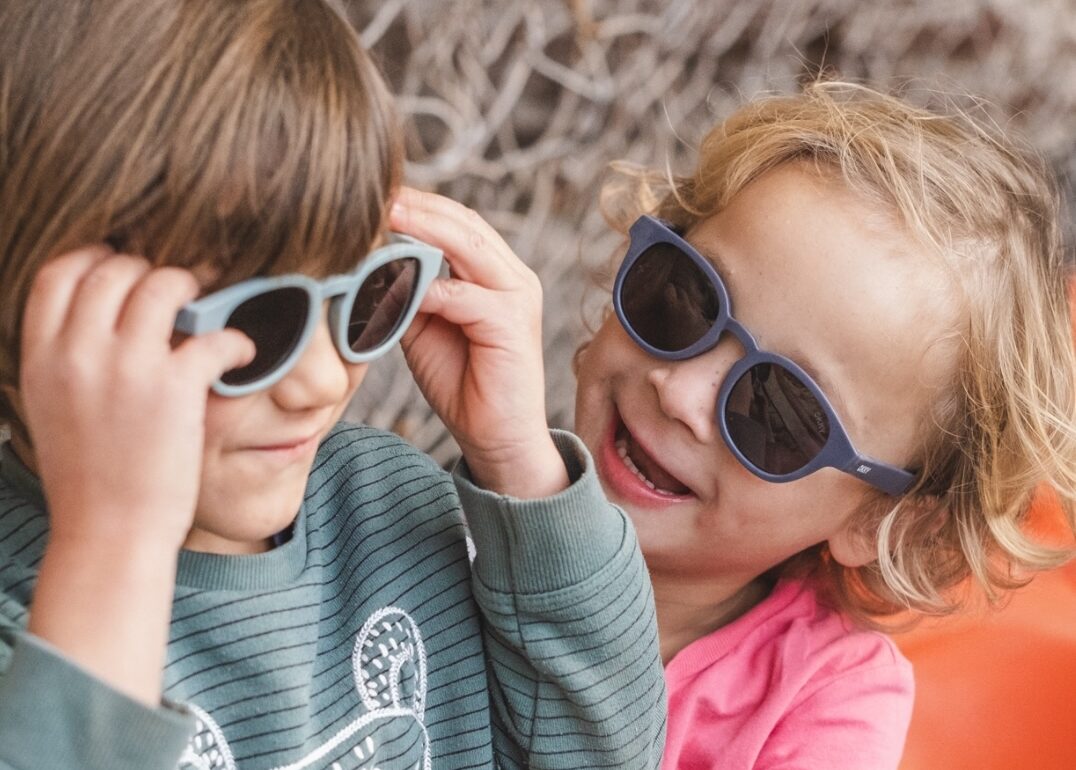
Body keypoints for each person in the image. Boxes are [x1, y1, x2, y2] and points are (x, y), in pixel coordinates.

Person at [0, 2, 666, 769]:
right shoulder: (31, 615)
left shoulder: (388, 508)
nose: (319, 381)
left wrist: (518, 460)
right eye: (255, 324)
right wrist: (113, 547)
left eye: (366, 293)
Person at [569, 81, 1076, 768]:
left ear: (878, 521)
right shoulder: (454, 503)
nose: (680, 392)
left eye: (781, 412)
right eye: (684, 299)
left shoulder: (829, 704)